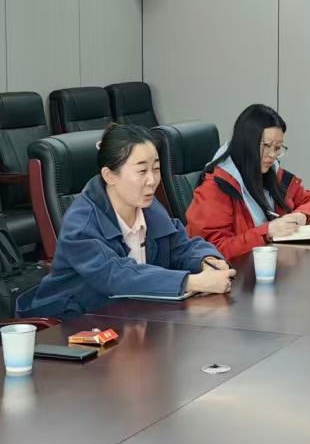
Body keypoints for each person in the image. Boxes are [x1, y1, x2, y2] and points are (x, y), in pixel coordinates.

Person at [18, 123, 232, 317]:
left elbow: (181, 245)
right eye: (142, 171)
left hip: (134, 318)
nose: (152, 180)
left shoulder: (148, 207)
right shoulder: (80, 224)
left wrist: (207, 260)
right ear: (110, 176)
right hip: (73, 324)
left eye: (156, 169)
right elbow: (116, 275)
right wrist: (192, 282)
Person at [184, 103, 310, 262]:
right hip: (237, 274)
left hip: (272, 266)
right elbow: (213, 252)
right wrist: (267, 232)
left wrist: (302, 217)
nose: (272, 155)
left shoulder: (273, 175)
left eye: (277, 148)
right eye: (267, 146)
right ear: (246, 143)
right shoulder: (215, 188)